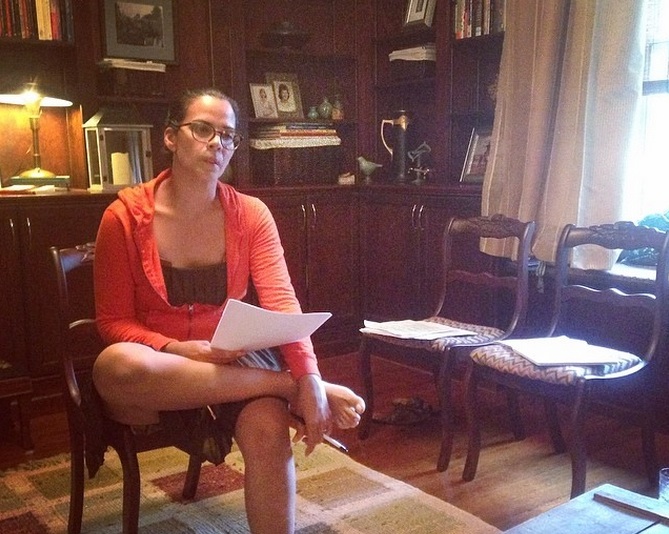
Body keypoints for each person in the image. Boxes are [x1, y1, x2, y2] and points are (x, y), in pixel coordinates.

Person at [92, 88, 365, 534]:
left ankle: (291, 389)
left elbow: (282, 305)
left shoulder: (251, 214)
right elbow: (112, 322)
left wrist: (310, 373)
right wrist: (178, 348)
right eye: (203, 129)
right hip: (159, 369)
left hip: (233, 361)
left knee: (269, 431)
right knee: (115, 366)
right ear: (170, 137)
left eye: (228, 135)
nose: (217, 143)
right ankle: (287, 388)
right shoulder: (121, 218)